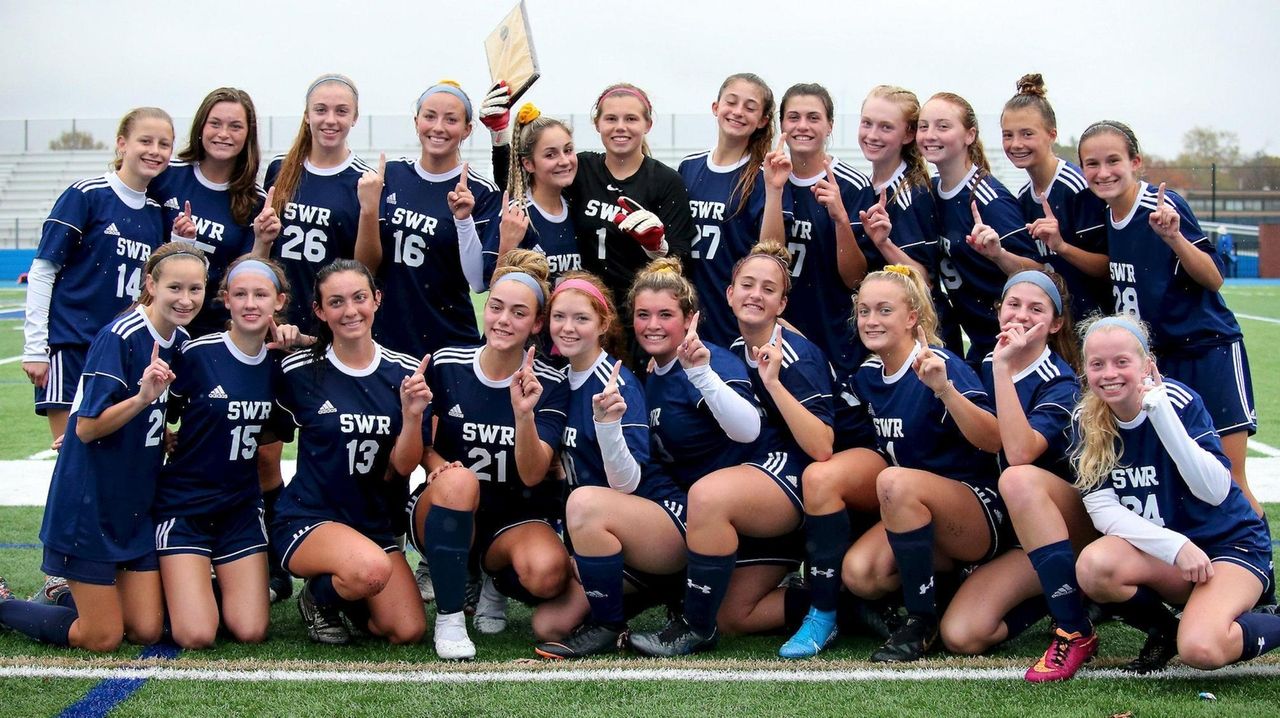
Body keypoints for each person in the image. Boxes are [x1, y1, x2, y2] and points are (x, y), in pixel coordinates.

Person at [630, 242, 836, 656]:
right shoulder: (735, 346)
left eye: (767, 288)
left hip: (795, 473)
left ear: (782, 302)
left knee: (707, 495)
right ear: (728, 293)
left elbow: (823, 448)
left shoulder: (793, 354)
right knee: (735, 615)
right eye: (746, 284)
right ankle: (845, 603)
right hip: (756, 478)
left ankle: (694, 628)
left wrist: (773, 383)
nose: (755, 295)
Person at [0, 243, 206, 651]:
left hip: (133, 503)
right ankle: (5, 606)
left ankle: (68, 596)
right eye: (175, 288)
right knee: (101, 636)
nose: (186, 299)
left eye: (195, 289)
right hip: (90, 503)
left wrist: (161, 431)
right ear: (151, 284)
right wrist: (142, 400)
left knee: (146, 629)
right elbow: (87, 429)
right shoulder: (121, 336)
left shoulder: (179, 338)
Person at [1072, 315, 1280, 673]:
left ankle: (1250, 611)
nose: (1110, 373)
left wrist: (1159, 412)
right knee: (1094, 566)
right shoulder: (1088, 420)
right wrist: (1175, 546)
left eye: (1122, 362)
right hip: (1177, 555)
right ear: (1085, 371)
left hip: (1229, 546)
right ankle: (1166, 630)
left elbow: (1214, 490)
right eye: (1097, 364)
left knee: (1202, 649)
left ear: (1147, 364)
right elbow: (1103, 510)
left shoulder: (1178, 401)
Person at [1078, 121, 1262, 519]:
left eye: (1113, 160)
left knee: (1230, 481)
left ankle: (1256, 574)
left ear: (1136, 162)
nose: (1103, 171)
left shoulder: (1160, 207)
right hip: (1162, 363)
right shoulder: (1108, 216)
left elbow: (1214, 278)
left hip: (1207, 352)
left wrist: (1175, 238)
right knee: (1178, 479)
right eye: (1092, 164)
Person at [407, 250, 572, 660]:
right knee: (459, 482)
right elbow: (422, 448)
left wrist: (523, 414)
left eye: (519, 313)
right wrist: (439, 467)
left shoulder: (549, 383)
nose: (503, 320)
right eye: (496, 307)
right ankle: (449, 618)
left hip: (513, 517)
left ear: (536, 324)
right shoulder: (447, 364)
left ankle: (493, 580)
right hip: (445, 507)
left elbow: (534, 474)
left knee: (548, 573)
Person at [839, 265, 1002, 662]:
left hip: (977, 509)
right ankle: (945, 587)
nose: (871, 320)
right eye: (864, 311)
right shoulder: (868, 374)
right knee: (860, 573)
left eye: (884, 310)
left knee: (894, 481)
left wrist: (944, 390)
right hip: (914, 509)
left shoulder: (937, 364)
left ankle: (920, 620)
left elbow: (994, 439)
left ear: (912, 317)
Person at [937, 271, 1094, 682]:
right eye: (1013, 305)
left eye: (1036, 308)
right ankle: (1057, 591)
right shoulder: (979, 361)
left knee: (1018, 478)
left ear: (1056, 323)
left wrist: (1003, 370)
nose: (1021, 315)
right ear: (999, 309)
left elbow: (1020, 453)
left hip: (1064, 525)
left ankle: (1074, 626)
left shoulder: (1059, 381)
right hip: (1010, 527)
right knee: (963, 634)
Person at [270, 260, 428, 647]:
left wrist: (411, 418)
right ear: (320, 312)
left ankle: (341, 591)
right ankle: (317, 599)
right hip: (310, 517)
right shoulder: (297, 370)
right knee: (369, 571)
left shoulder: (404, 372)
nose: (350, 311)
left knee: (406, 630)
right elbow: (256, 432)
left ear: (376, 299)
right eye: (336, 302)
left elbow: (404, 466)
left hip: (373, 524)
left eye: (359, 298)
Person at [531, 272, 689, 659]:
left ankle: (609, 626)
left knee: (585, 503)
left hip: (663, 521)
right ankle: (656, 592)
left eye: (581, 319)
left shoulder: (614, 383)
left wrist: (606, 425)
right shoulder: (560, 380)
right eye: (559, 317)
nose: (567, 328)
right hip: (609, 530)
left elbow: (628, 481)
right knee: (547, 625)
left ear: (602, 324)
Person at [259, 73, 370, 603]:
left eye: (341, 110)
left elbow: (365, 267)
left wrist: (325, 327)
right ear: (307, 114)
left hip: (327, 336)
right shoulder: (279, 173)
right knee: (263, 450)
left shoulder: (364, 180)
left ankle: (350, 545)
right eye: (321, 109)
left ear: (354, 117)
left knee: (334, 446)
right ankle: (269, 554)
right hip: (275, 335)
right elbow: (266, 256)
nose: (330, 119)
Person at [154, 256, 301, 648]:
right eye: (240, 294)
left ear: (279, 302)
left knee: (251, 630)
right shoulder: (198, 354)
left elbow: (336, 352)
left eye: (260, 294)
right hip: (186, 506)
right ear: (226, 300)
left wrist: (300, 341)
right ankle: (176, 590)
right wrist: (165, 437)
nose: (250, 303)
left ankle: (205, 584)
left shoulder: (281, 364)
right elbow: (158, 409)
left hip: (239, 508)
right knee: (197, 635)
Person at [23, 107, 189, 445]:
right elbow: (43, 270)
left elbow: (161, 285)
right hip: (75, 344)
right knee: (72, 455)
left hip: (127, 349)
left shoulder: (158, 213)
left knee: (118, 455)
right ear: (122, 144)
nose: (154, 151)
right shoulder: (87, 195)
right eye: (145, 141)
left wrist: (183, 242)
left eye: (164, 144)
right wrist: (35, 348)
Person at [354, 80, 502, 358]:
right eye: (430, 116)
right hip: (386, 339)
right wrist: (369, 209)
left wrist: (464, 221)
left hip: (449, 340)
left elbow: (480, 283)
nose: (438, 127)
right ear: (416, 121)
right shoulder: (393, 175)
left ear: (467, 129)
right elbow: (365, 266)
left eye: (451, 119)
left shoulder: (481, 192)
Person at [760, 83, 875, 376]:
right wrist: (774, 192)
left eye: (813, 117)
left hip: (836, 332)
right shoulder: (766, 177)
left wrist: (839, 218)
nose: (802, 126)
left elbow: (856, 279)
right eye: (793, 117)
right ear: (781, 124)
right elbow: (770, 261)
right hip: (781, 331)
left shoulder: (852, 185)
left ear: (829, 126)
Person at [566, 83, 696, 339]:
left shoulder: (665, 181)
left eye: (631, 119)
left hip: (639, 319)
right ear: (597, 124)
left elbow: (683, 259)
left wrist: (657, 248)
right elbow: (530, 183)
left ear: (647, 125)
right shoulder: (582, 169)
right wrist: (501, 137)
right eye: (611, 118)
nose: (620, 127)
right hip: (585, 314)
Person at [918, 92, 1041, 362]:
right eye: (923, 126)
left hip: (1010, 343)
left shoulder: (990, 200)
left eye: (943, 126)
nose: (930, 135)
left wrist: (999, 254)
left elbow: (1039, 273)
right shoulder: (931, 192)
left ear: (969, 135)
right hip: (978, 341)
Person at [150, 87, 281, 338]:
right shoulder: (166, 175)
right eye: (215, 124)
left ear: (248, 135)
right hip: (156, 320)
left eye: (235, 126)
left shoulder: (256, 201)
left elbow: (243, 274)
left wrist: (263, 240)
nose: (223, 134)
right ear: (201, 127)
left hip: (210, 329)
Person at [677, 73, 775, 347]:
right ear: (715, 107)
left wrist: (775, 189)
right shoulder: (689, 167)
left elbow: (772, 250)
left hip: (733, 316)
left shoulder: (763, 176)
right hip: (689, 312)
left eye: (750, 107)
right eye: (731, 102)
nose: (738, 112)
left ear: (763, 120)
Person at [1000, 74, 1110, 320]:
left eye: (1027, 134)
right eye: (1008, 135)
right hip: (1059, 324)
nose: (1016, 144)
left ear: (1052, 134)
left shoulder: (1077, 187)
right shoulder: (1024, 196)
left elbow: (1108, 267)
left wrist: (1062, 246)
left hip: (1094, 322)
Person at [494, 103, 581, 283]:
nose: (564, 161)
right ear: (529, 164)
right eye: (551, 155)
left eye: (568, 150)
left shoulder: (579, 206)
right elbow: (493, 285)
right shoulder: (516, 215)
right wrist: (506, 248)